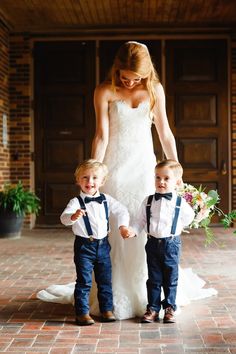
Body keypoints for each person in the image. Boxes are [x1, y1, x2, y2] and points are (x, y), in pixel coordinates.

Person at [37, 41, 217, 318]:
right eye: (125, 76)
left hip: (145, 166)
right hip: (116, 166)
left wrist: (177, 169)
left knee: (147, 223)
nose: (130, 82)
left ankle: (151, 296)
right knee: (115, 226)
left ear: (146, 74)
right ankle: (113, 293)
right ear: (116, 69)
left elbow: (165, 132)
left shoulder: (155, 90)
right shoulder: (105, 91)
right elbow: (101, 135)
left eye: (136, 78)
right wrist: (95, 171)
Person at [122, 159, 195, 323]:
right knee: (154, 278)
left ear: (177, 182)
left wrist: (176, 227)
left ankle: (169, 308)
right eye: (157, 177)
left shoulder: (179, 202)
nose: (161, 182)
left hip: (171, 244)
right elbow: (139, 221)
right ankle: (153, 308)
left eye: (166, 178)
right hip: (152, 243)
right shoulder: (148, 201)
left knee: (171, 278)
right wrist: (132, 231)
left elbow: (189, 217)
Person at [59, 159, 130, 325]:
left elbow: (122, 211)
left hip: (103, 245)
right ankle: (82, 313)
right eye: (84, 177)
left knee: (105, 279)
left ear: (102, 181)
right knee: (84, 280)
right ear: (78, 180)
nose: (89, 182)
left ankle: (106, 309)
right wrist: (73, 217)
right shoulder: (75, 202)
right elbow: (63, 218)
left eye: (94, 178)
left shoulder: (106, 199)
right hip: (84, 246)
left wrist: (123, 226)